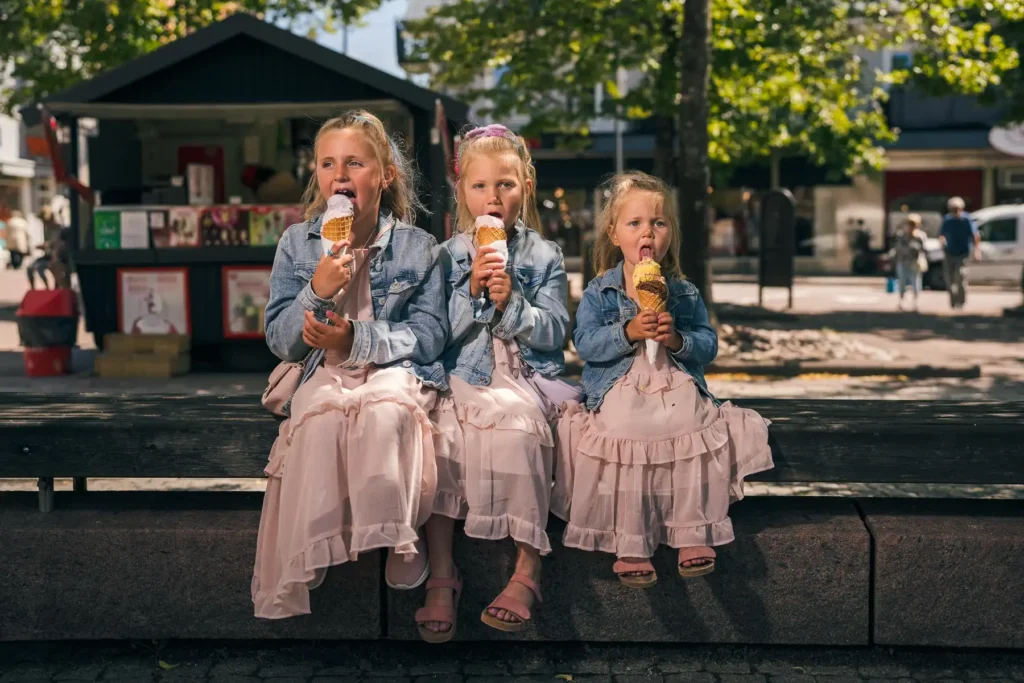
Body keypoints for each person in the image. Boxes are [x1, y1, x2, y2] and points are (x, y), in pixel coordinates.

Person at [252, 111, 449, 619]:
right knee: (318, 416)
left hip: (391, 369)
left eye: (355, 163)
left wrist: (357, 337)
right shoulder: (298, 243)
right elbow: (279, 339)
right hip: (323, 369)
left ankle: (402, 538)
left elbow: (429, 336)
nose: (339, 175)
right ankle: (321, 537)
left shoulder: (417, 247)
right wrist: (317, 289)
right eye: (327, 164)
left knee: (386, 411)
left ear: (385, 176)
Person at [552, 171, 774, 588]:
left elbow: (708, 344)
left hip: (672, 379)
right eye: (634, 223)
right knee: (624, 428)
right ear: (614, 234)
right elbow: (584, 344)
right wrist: (628, 331)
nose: (647, 232)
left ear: (670, 233)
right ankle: (631, 541)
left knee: (691, 422)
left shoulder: (684, 292)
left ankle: (693, 532)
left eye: (658, 222)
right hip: (622, 383)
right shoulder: (602, 291)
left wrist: (678, 338)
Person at [417, 124, 577, 641]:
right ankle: (443, 573)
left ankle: (528, 568)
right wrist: (470, 291)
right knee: (435, 437)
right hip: (462, 372)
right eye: (481, 186)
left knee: (524, 428)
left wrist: (513, 303)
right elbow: (435, 335)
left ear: (525, 186)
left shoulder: (544, 255)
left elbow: (555, 332)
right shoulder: (446, 255)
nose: (494, 197)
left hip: (524, 375)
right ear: (463, 192)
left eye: (505, 184)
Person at [939, 196, 980, 309]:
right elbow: (942, 234)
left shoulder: (967, 220)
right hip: (949, 253)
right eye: (952, 209)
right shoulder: (947, 220)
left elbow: (975, 236)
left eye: (957, 209)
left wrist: (977, 251)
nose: (955, 211)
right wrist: (942, 241)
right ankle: (953, 302)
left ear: (961, 208)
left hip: (962, 253)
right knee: (949, 280)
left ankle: (961, 302)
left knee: (960, 277)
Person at [890, 213, 928, 311]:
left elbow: (924, 249)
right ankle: (901, 302)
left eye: (913, 224)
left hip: (915, 262)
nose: (911, 226)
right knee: (902, 282)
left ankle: (915, 303)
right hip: (902, 261)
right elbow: (897, 247)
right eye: (909, 224)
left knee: (916, 282)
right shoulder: (901, 235)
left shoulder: (920, 236)